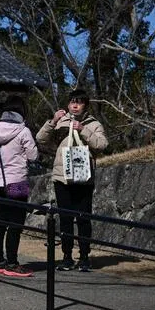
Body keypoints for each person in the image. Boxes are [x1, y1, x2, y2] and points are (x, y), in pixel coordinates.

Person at [36, 88, 109, 272]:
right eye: (72, 102)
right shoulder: (61, 121)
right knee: (66, 219)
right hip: (62, 178)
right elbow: (40, 139)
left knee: (84, 219)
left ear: (85, 105)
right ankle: (67, 257)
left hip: (83, 178)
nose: (74, 105)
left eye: (79, 102)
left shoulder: (93, 124)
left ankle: (84, 257)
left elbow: (102, 145)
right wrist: (52, 122)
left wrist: (84, 130)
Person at [0, 96, 39, 277]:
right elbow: (33, 156)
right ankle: (12, 264)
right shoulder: (23, 131)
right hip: (17, 182)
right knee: (15, 224)